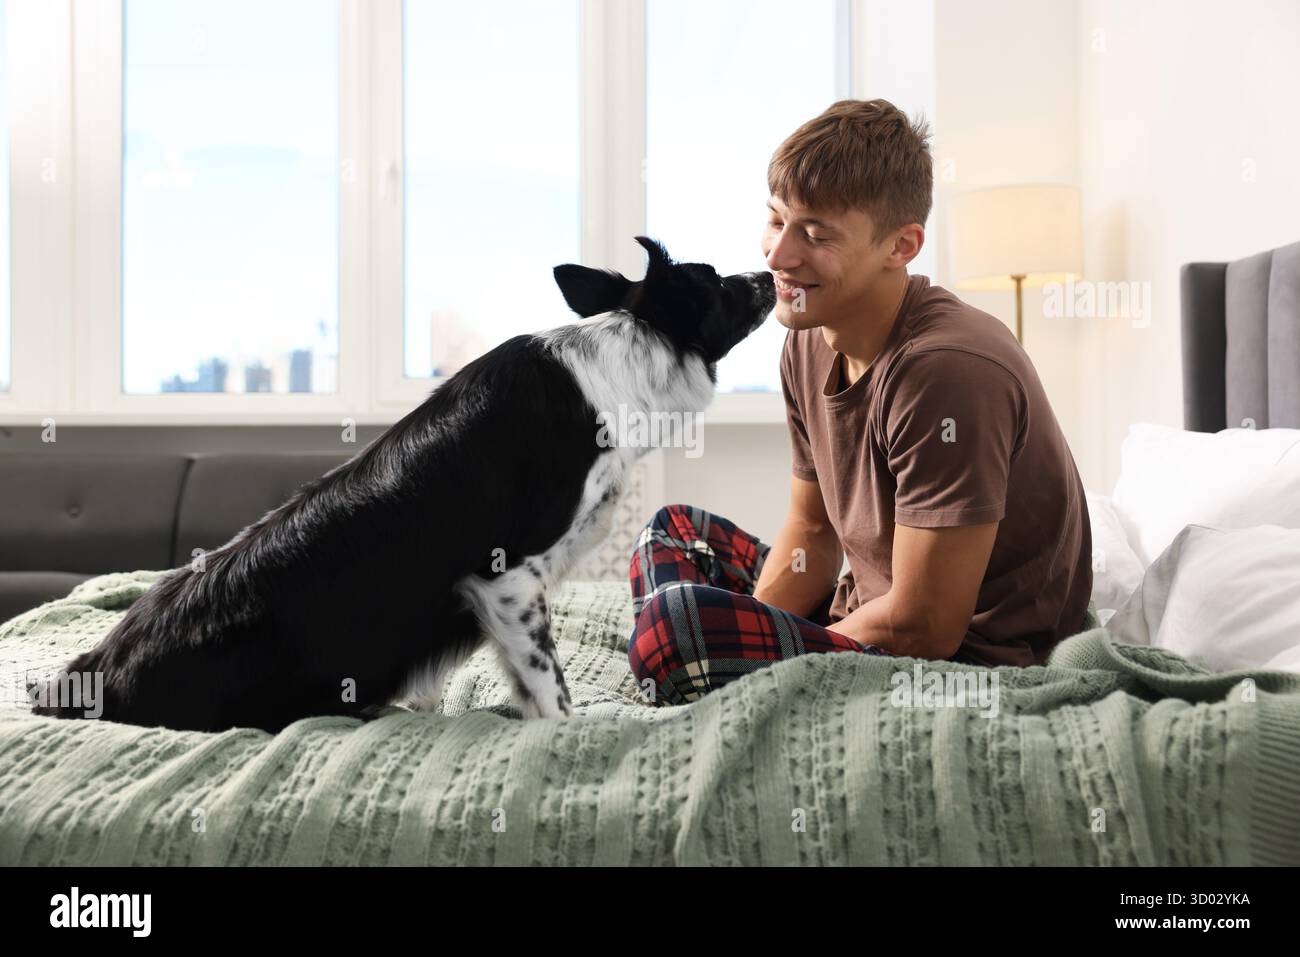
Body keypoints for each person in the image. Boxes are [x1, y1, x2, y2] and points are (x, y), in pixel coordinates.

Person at [628, 98, 1092, 706]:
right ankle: (704, 661)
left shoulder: (948, 372)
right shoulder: (807, 337)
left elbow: (926, 626)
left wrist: (744, 646)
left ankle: (694, 662)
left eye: (815, 234)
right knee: (674, 532)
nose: (777, 256)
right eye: (776, 220)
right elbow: (813, 530)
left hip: (961, 658)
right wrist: (759, 630)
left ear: (901, 246)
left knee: (672, 629)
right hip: (870, 610)